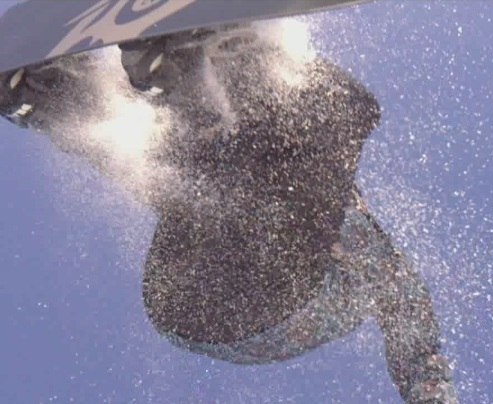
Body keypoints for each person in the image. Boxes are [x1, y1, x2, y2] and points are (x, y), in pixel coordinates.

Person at [0, 22, 457, 403]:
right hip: (181, 303)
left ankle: (195, 63)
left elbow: (417, 340)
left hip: (266, 305)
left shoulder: (379, 263)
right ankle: (50, 95)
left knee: (343, 109)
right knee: (195, 180)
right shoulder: (281, 198)